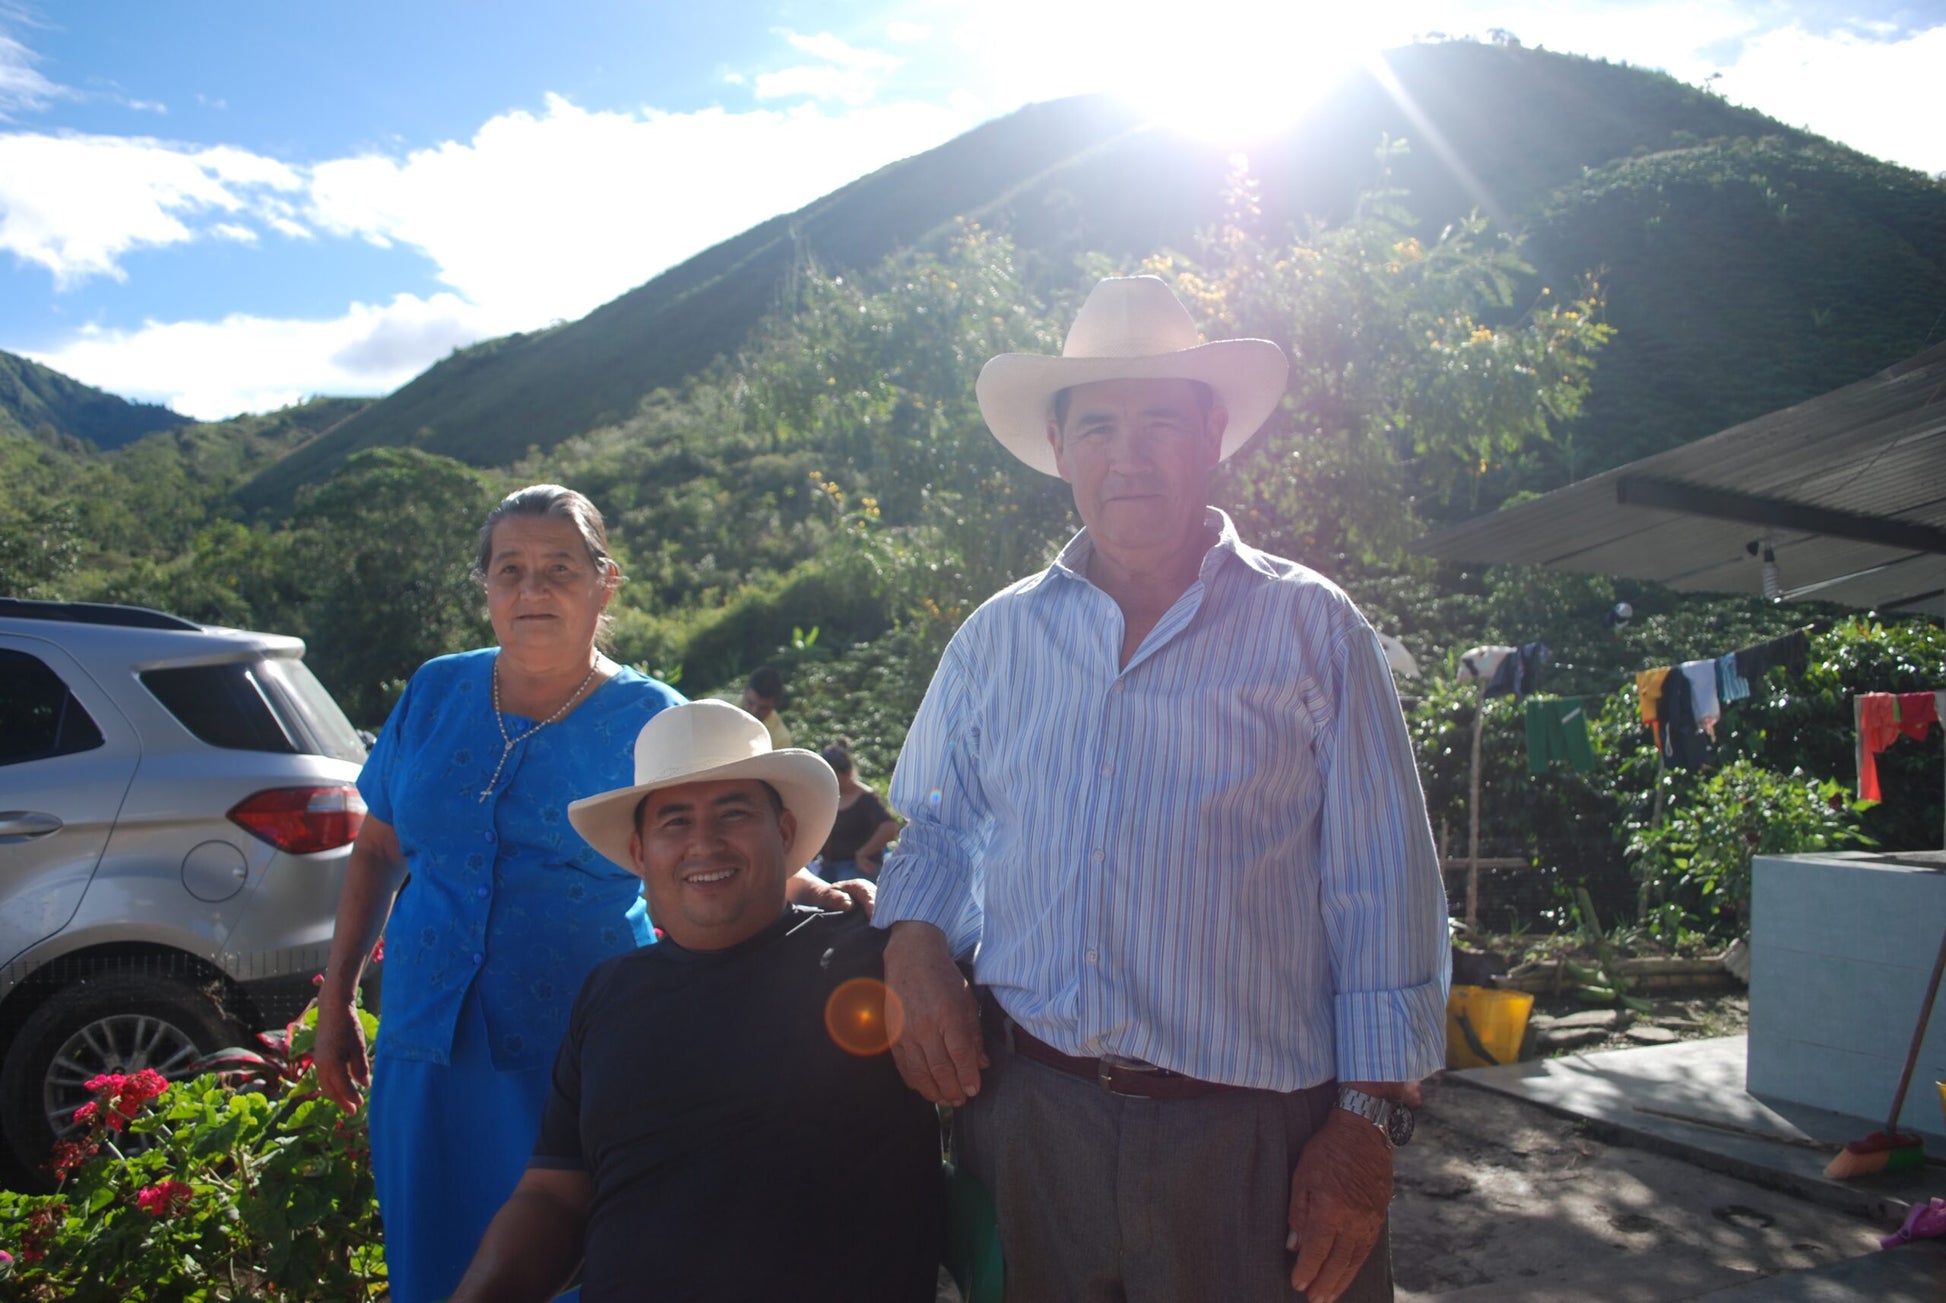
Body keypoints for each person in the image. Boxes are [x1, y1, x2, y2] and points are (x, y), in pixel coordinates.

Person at [875, 277, 1449, 1303]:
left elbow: (1382, 888)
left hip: (1253, 1140)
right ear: (1058, 447)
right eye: (1096, 425)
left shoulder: (1310, 628)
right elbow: (937, 828)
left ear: (1212, 435)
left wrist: (1364, 1128)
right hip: (1032, 1118)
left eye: (1159, 423)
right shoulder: (995, 638)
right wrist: (913, 941)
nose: (1126, 455)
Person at [314, 485, 869, 1303]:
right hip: (424, 1046)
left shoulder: (652, 716)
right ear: (487, 586)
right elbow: (377, 851)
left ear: (604, 582)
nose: (532, 590)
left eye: (559, 569)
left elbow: (706, 851)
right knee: (431, 1268)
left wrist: (817, 888)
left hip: (578, 1052)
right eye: (511, 569)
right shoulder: (435, 692)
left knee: (576, 1266)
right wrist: (334, 1002)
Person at [448, 701, 944, 1303]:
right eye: (674, 822)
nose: (704, 844)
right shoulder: (608, 995)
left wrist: (914, 929)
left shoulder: (879, 962)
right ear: (639, 854)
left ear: (783, 834)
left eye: (733, 814)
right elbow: (554, 1194)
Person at [816, 741, 901, 880]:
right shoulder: (826, 795)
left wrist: (863, 854)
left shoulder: (866, 798)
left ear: (846, 773)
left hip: (856, 866)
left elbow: (889, 828)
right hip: (828, 865)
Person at [740, 664, 793, 749]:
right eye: (750, 703)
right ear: (744, 692)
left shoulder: (780, 740)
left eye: (763, 708)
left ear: (775, 705)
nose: (754, 711)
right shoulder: (717, 706)